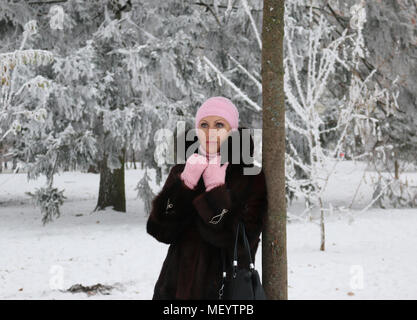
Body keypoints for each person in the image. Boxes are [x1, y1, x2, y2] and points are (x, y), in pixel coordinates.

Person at [146, 96, 268, 300]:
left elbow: (242, 240)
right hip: (176, 289)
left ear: (232, 131)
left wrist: (216, 191)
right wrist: (184, 186)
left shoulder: (249, 175)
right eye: (204, 124)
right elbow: (160, 230)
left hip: (225, 290)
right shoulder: (183, 169)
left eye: (219, 124)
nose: (210, 131)